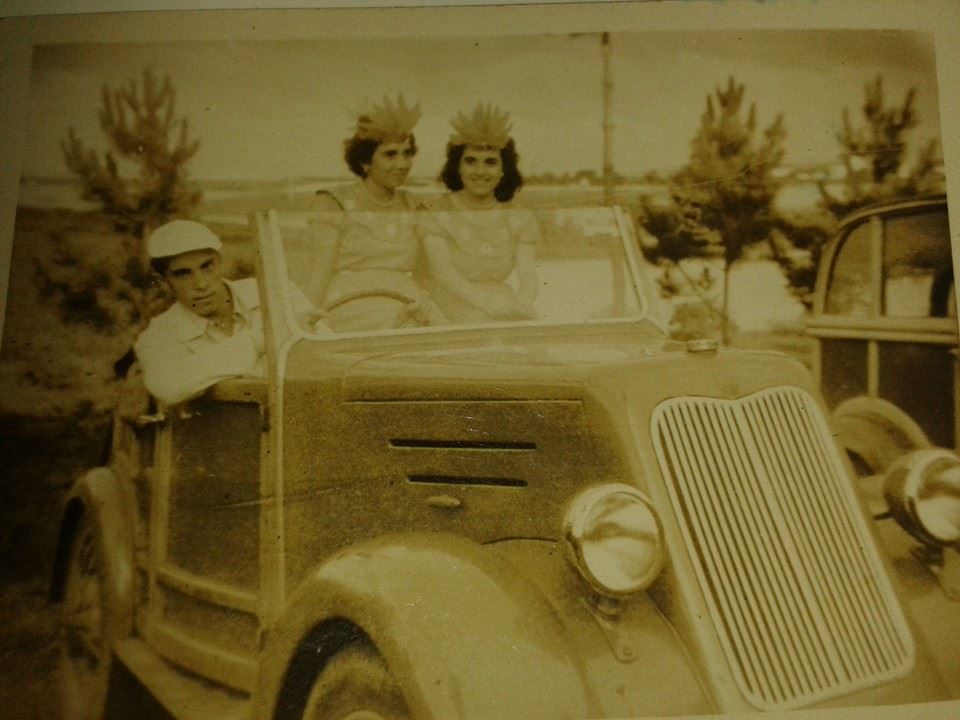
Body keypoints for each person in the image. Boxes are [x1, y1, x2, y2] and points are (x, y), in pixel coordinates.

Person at [304, 94, 431, 332]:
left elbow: (427, 274)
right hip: (352, 305)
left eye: (407, 153)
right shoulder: (335, 203)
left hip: (407, 303)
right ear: (365, 162)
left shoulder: (414, 205)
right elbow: (318, 275)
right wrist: (307, 322)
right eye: (390, 154)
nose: (402, 164)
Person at [419, 102, 539, 324]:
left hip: (502, 307)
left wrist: (521, 305)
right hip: (447, 310)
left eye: (491, 162)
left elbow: (529, 277)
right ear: (458, 167)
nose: (480, 171)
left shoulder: (520, 218)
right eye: (471, 161)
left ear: (504, 169)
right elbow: (443, 273)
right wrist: (489, 307)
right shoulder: (435, 212)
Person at [134, 219, 266, 405]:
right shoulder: (158, 335)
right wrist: (257, 341)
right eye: (183, 274)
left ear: (220, 262)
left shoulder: (269, 294)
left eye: (207, 266)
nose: (201, 284)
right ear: (163, 280)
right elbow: (166, 385)